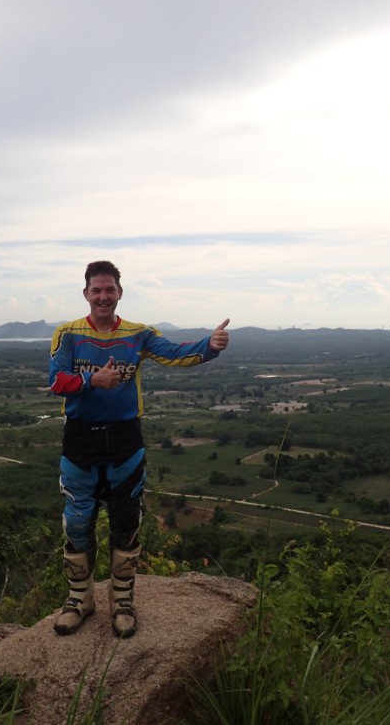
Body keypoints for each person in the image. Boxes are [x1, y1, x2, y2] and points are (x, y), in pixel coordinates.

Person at [48, 260, 230, 637]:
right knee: (77, 521)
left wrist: (209, 346)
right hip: (80, 439)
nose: (103, 296)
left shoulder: (138, 334)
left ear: (119, 293)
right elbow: (56, 382)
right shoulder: (68, 334)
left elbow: (175, 352)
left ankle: (122, 601)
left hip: (125, 439)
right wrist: (91, 381)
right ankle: (80, 599)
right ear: (86, 293)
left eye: (109, 290)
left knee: (127, 521)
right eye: (96, 290)